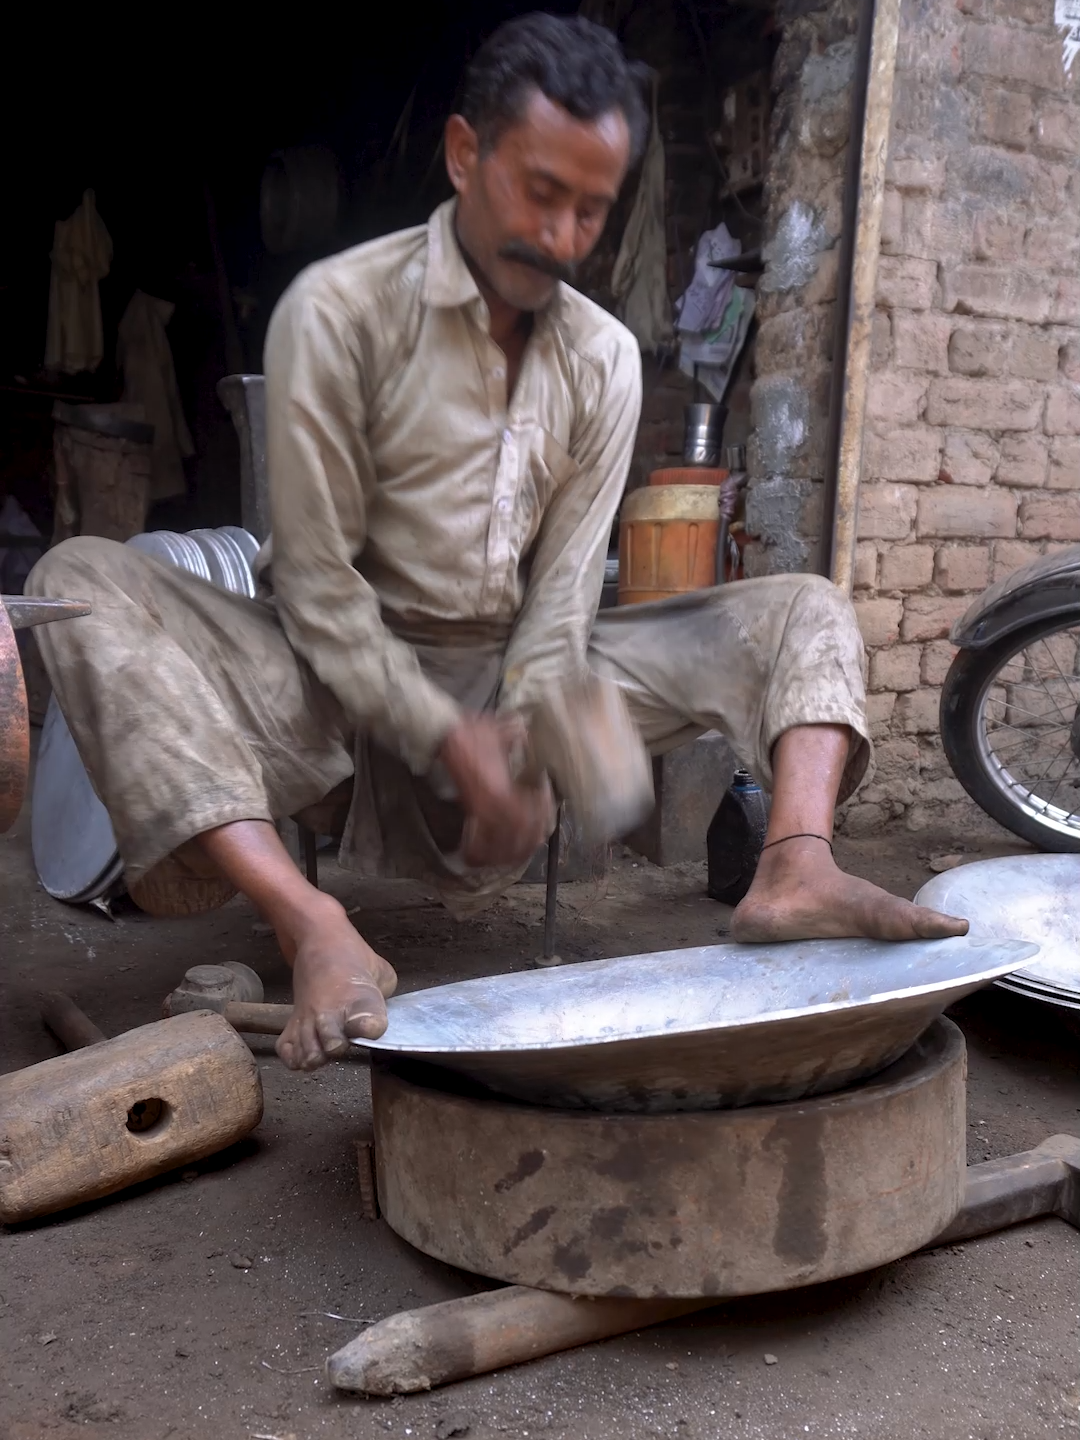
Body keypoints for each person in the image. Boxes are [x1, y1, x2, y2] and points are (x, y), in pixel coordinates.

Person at [28, 13, 966, 1073]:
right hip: (322, 669)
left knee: (802, 606)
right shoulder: (334, 313)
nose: (564, 236)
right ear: (465, 153)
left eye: (592, 210)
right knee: (82, 577)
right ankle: (311, 922)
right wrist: (445, 735)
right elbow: (320, 589)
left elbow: (564, 597)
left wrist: (525, 737)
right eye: (541, 192)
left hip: (506, 662)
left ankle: (793, 866)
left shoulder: (605, 357)